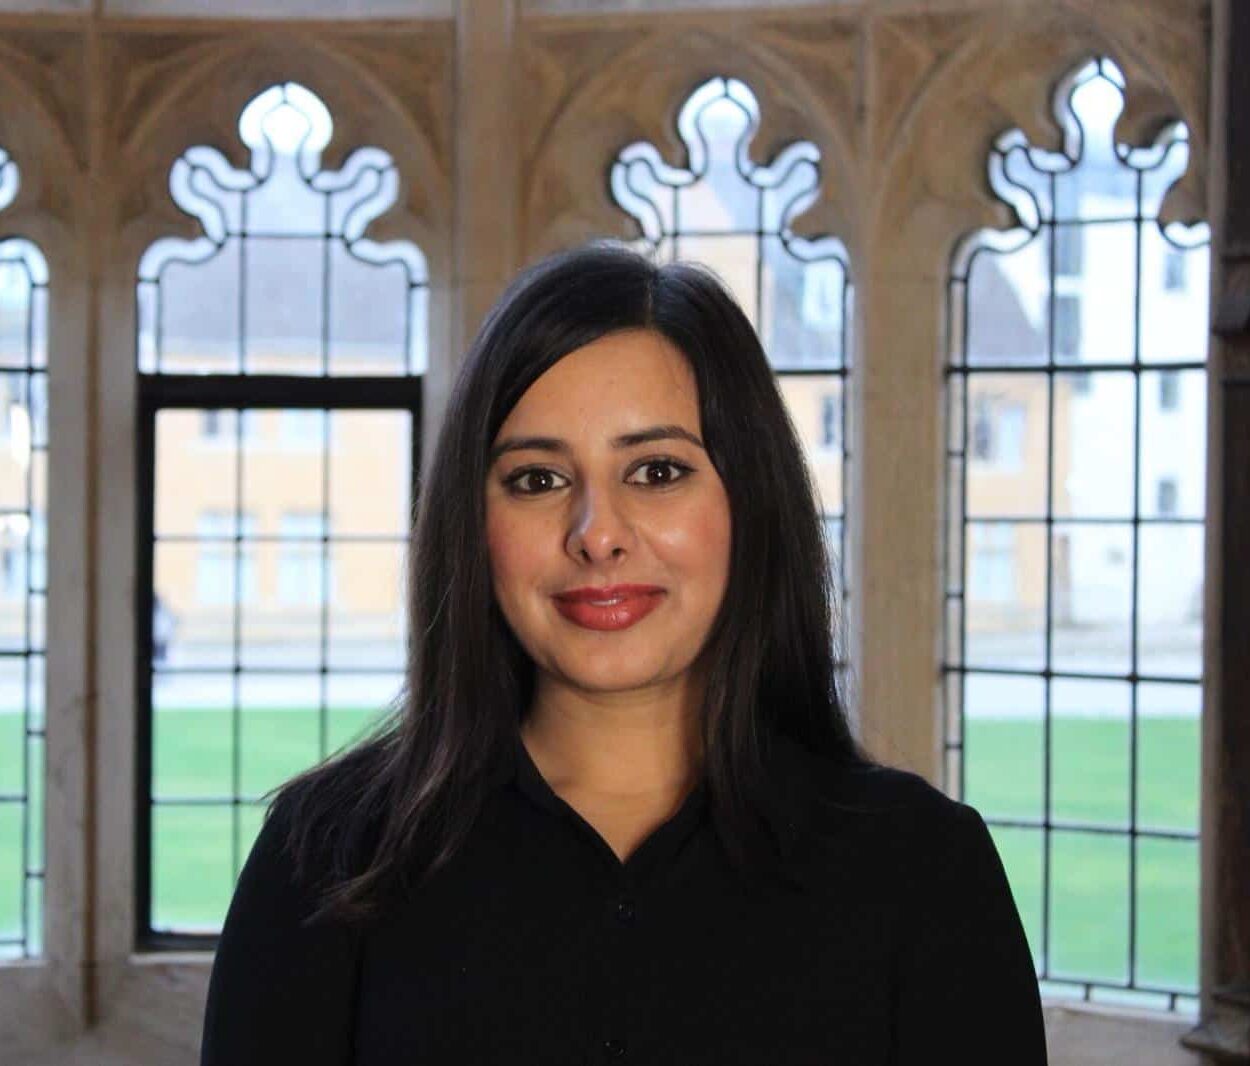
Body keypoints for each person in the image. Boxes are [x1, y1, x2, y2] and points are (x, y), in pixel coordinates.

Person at [200, 244, 1048, 1065]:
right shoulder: (324, 858)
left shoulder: (924, 872)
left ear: (749, 502)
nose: (597, 534)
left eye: (656, 471)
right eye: (537, 479)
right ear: (474, 526)